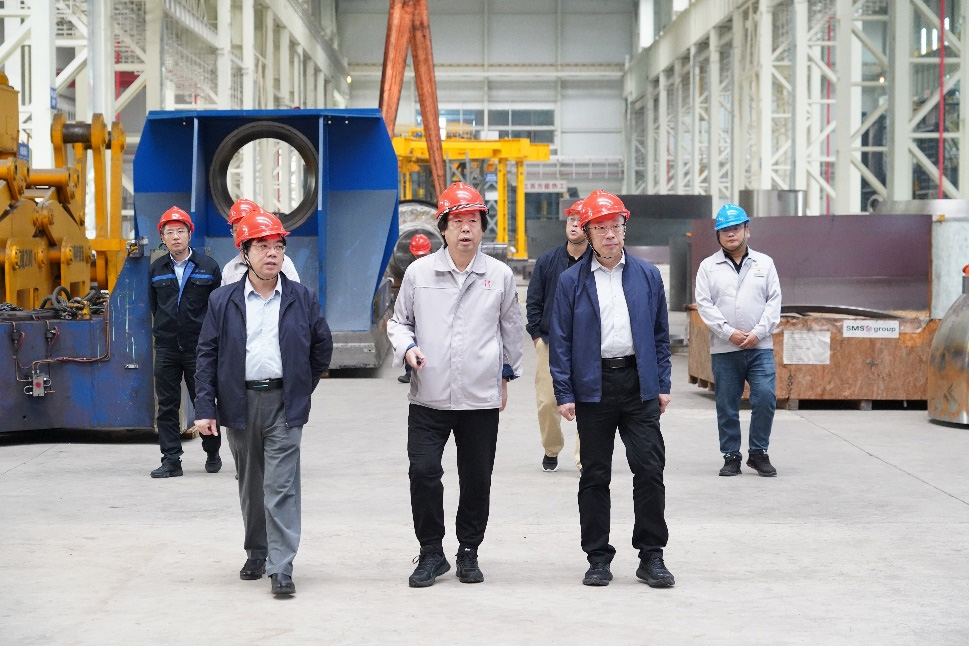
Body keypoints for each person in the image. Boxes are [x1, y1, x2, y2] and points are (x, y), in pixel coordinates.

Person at [387, 182, 523, 588]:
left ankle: (468, 551)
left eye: (473, 221)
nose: (466, 229)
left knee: (477, 478)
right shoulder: (419, 273)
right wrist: (408, 348)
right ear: (443, 228)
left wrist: (505, 375)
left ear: (482, 228)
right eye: (458, 221)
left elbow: (511, 330)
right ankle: (431, 552)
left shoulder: (499, 275)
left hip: (479, 398)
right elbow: (399, 322)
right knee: (423, 471)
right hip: (428, 396)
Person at [194, 210, 332, 597]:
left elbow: (321, 347)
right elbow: (206, 354)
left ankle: (281, 565)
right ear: (244, 252)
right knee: (251, 484)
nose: (272, 253)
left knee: (281, 485)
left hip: (284, 404)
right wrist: (204, 407)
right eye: (262, 246)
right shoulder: (223, 300)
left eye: (278, 246)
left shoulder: (302, 298)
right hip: (239, 402)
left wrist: (301, 387)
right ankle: (257, 551)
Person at [549, 190, 675, 589]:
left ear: (624, 229)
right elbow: (560, 340)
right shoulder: (571, 281)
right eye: (600, 228)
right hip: (593, 386)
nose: (609, 234)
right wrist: (564, 391)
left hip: (638, 384)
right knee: (594, 474)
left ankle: (651, 555)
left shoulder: (647, 275)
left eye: (615, 226)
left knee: (649, 469)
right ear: (587, 232)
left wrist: (662, 383)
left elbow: (660, 335)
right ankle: (598, 558)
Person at [694, 203, 781, 477]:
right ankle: (731, 455)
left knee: (765, 398)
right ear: (718, 235)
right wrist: (727, 332)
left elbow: (774, 303)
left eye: (735, 228)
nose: (730, 234)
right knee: (727, 405)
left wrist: (758, 333)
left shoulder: (765, 263)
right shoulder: (708, 267)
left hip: (760, 347)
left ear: (747, 230)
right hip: (725, 348)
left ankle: (758, 453)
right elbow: (704, 304)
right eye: (724, 230)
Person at [148, 206, 223, 478]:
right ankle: (171, 460)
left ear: (190, 234)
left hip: (198, 348)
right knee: (167, 405)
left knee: (204, 401)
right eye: (170, 232)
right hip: (167, 348)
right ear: (163, 238)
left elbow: (217, 309)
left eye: (181, 231)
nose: (176, 236)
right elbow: (155, 307)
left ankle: (212, 451)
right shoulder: (156, 269)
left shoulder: (208, 267)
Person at [526, 200, 590, 472]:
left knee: (588, 402)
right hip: (551, 342)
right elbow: (533, 301)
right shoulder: (548, 261)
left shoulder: (597, 262)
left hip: (588, 346)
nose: (574, 225)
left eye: (580, 221)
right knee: (547, 402)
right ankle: (551, 448)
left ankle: (585, 457)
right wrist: (537, 336)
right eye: (571, 220)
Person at [222, 198, 301, 286]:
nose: (242, 234)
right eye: (236, 229)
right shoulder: (230, 269)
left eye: (246, 227)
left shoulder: (283, 264)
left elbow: (295, 292)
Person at [397, 233, 433, 385]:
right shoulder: (411, 269)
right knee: (411, 336)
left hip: (433, 306)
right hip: (416, 306)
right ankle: (410, 371)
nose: (420, 257)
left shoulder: (437, 265)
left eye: (423, 255)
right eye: (418, 255)